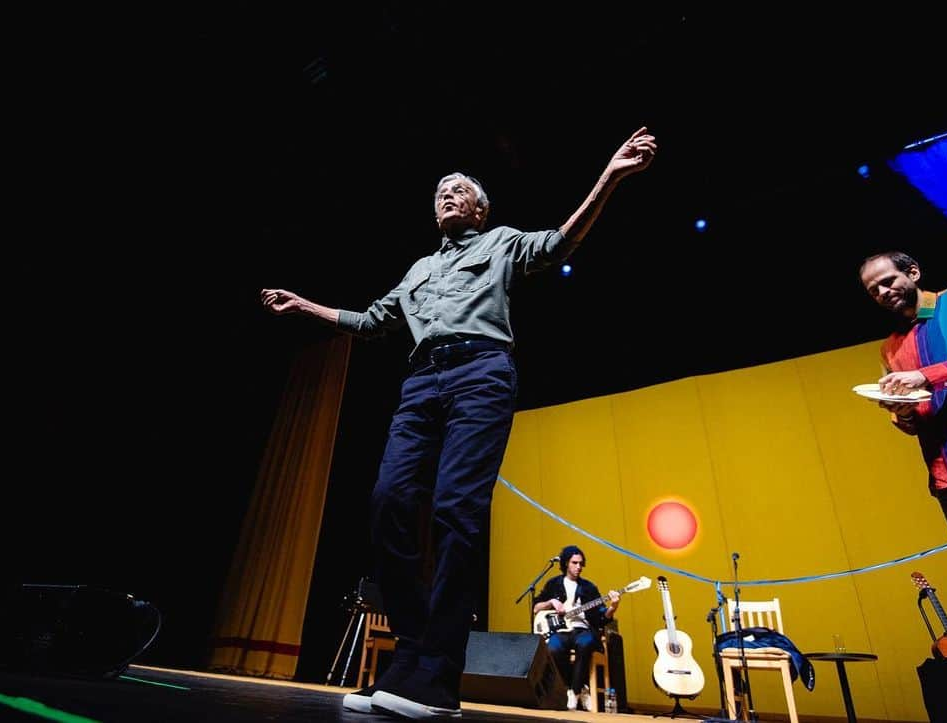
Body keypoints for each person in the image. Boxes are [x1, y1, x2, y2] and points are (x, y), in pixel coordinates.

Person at [261, 126, 656, 719]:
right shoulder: (419, 268)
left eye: (458, 189)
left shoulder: (500, 241)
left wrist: (610, 175)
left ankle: (438, 678)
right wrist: (305, 305)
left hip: (482, 372)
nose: (445, 194)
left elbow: (557, 245)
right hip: (421, 382)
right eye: (440, 190)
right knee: (388, 501)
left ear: (479, 207)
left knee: (455, 513)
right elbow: (372, 321)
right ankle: (413, 654)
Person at [858, 251, 947, 595]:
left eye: (888, 281)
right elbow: (912, 421)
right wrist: (902, 411)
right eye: (873, 290)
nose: (882, 292)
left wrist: (925, 377)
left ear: (912, 272)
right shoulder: (890, 349)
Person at [532, 545, 620, 711]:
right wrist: (551, 602)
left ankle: (575, 691)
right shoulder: (554, 584)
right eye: (574, 563)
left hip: (582, 629)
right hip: (561, 630)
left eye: (581, 563)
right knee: (553, 648)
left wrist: (613, 607)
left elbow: (602, 617)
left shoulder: (589, 587)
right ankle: (571, 686)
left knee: (585, 644)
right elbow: (536, 607)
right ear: (566, 563)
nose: (578, 567)